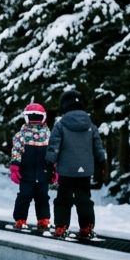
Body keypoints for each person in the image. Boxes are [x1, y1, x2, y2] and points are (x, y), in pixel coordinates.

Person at [45, 88, 106, 241]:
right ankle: (86, 227)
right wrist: (101, 164)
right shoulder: (90, 125)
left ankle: (60, 227)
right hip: (85, 171)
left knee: (63, 199)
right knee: (84, 198)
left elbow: (54, 146)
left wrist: (49, 164)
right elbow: (98, 147)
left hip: (66, 170)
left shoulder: (61, 125)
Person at [9, 103, 53, 232]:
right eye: (31, 116)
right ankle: (20, 219)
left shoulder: (48, 135)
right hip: (26, 173)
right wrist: (15, 167)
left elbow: (52, 153)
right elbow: (16, 151)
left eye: (37, 116)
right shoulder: (21, 135)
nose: (34, 119)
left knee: (43, 197)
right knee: (24, 196)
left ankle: (44, 220)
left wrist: (54, 168)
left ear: (43, 118)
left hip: (43, 172)